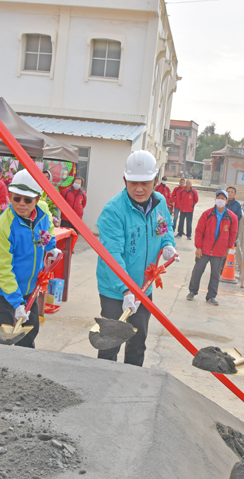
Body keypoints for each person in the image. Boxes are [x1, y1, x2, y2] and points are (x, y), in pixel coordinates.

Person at [96, 150, 176, 366]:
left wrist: (168, 243)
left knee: (138, 342)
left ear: (155, 180)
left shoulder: (159, 204)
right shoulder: (113, 211)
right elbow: (112, 255)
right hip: (115, 291)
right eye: (133, 183)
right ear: (125, 180)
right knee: (110, 343)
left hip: (144, 287)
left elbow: (164, 227)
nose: (139, 189)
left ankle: (130, 388)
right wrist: (125, 289)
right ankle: (102, 385)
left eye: (145, 182)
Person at [0, 170, 60, 348]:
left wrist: (52, 246)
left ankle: (25, 365)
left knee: (29, 330)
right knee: (1, 336)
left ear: (37, 199)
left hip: (30, 286)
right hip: (4, 291)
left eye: (27, 200)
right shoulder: (2, 227)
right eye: (16, 198)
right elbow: (3, 269)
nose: (21, 204)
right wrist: (17, 302)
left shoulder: (42, 210)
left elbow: (47, 229)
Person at [186, 190, 238, 305]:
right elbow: (199, 231)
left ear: (226, 201)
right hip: (204, 249)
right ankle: (192, 292)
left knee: (215, 274)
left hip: (220, 251)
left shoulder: (232, 217)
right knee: (197, 271)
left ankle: (211, 296)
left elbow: (233, 234)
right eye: (218, 198)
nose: (220, 200)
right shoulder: (207, 214)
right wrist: (198, 247)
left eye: (223, 199)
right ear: (215, 200)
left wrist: (228, 248)